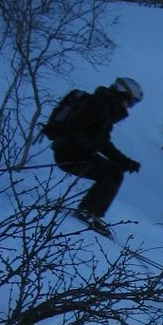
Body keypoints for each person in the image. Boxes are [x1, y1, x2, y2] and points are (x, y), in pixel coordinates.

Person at [50, 76, 143, 233]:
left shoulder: (104, 107)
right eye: (132, 102)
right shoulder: (98, 105)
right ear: (123, 95)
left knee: (113, 172)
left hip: (71, 152)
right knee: (112, 173)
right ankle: (88, 212)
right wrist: (89, 151)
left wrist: (125, 161)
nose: (130, 106)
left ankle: (88, 211)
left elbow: (102, 142)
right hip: (69, 153)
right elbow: (74, 128)